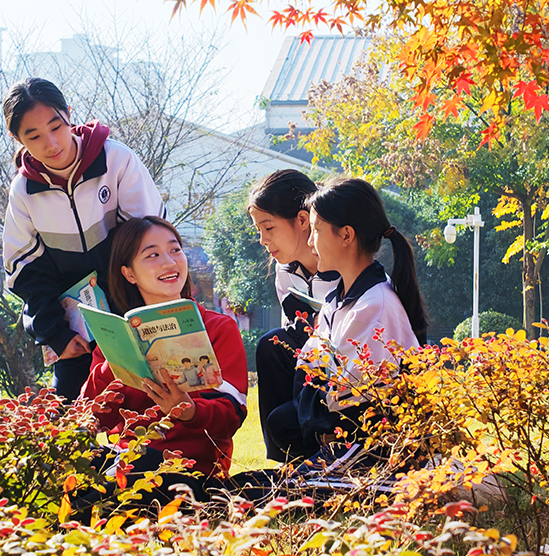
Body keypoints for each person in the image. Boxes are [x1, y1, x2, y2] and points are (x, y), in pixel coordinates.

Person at [1, 78, 165, 401]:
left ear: (68, 113)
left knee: (153, 409)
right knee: (70, 415)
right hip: (76, 332)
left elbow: (151, 241)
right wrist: (56, 335)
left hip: (136, 314)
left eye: (56, 127)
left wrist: (143, 310)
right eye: (34, 136)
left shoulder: (116, 160)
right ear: (17, 139)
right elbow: (26, 274)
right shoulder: (23, 192)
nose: (51, 143)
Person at [80, 216, 248, 499]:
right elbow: (92, 415)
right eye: (153, 255)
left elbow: (231, 415)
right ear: (129, 274)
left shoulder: (219, 328)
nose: (170, 262)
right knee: (73, 463)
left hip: (190, 473)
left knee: (141, 463)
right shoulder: (115, 335)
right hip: (126, 460)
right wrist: (116, 361)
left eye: (175, 250)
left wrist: (189, 410)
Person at [265, 177, 427, 470]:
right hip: (343, 426)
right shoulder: (340, 298)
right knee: (282, 421)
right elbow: (307, 369)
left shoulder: (373, 306)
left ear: (346, 235)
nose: (310, 242)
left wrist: (319, 392)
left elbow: (351, 403)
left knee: (284, 439)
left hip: (371, 445)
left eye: (316, 230)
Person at [246, 169, 339, 461]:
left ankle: (321, 449)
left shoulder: (341, 265)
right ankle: (285, 459)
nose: (262, 240)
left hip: (345, 367)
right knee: (271, 344)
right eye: (258, 230)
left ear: (302, 220)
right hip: (310, 361)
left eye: (268, 228)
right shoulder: (284, 272)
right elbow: (290, 333)